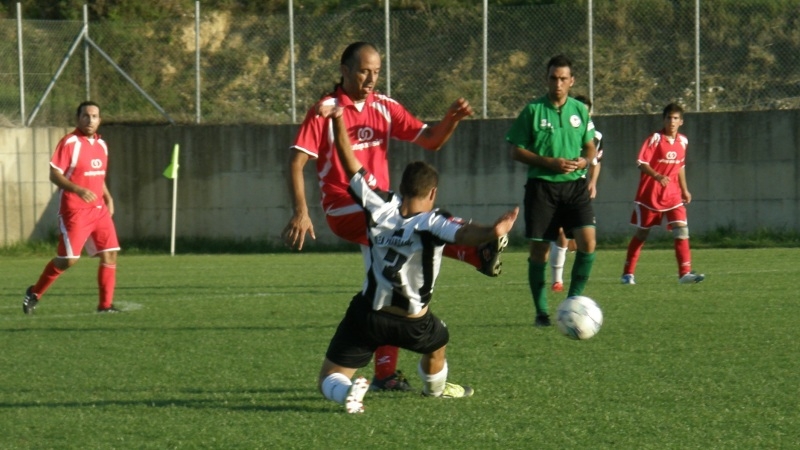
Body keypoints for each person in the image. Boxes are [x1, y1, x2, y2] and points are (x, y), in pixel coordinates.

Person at [283, 41, 507, 391]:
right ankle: (472, 251)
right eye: (363, 71)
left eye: (376, 72)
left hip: (385, 215)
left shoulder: (384, 107)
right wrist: (301, 210)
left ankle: (384, 374)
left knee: (387, 296)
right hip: (347, 207)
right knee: (425, 230)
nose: (371, 78)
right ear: (344, 70)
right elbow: (297, 161)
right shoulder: (325, 110)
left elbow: (431, 140)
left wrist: (451, 119)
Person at [316, 103, 519, 413]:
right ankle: (434, 391)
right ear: (433, 193)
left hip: (369, 316)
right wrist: (493, 230)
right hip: (414, 324)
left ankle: (346, 394)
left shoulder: (377, 204)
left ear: (400, 187)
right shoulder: (434, 221)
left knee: (328, 378)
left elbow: (348, 160)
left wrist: (339, 119)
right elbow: (463, 234)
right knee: (439, 344)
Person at [506, 54, 598, 327]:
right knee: (539, 252)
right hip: (542, 188)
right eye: (553, 78)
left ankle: (573, 304)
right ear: (546, 80)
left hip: (575, 186)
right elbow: (516, 150)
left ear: (572, 81)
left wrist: (584, 159)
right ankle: (542, 312)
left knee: (588, 243)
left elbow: (590, 146)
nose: (557, 83)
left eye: (562, 79)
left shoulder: (580, 110)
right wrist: (549, 163)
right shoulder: (533, 110)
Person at [23, 101, 121, 314]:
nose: (90, 120)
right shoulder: (70, 143)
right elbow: (54, 174)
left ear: (100, 120)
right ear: (78, 119)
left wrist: (108, 197)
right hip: (75, 209)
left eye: (94, 116)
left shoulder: (102, 145)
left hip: (99, 209)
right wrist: (77, 190)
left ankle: (105, 306)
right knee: (69, 259)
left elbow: (97, 176)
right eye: (86, 116)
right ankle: (34, 292)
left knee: (110, 253)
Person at [620, 103, 704, 285]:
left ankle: (684, 273)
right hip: (650, 194)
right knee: (642, 234)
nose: (671, 122)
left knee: (682, 229)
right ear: (663, 120)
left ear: (681, 121)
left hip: (673, 195)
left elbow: (680, 166)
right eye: (668, 118)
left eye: (675, 118)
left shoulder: (683, 141)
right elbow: (641, 162)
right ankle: (627, 273)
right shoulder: (655, 139)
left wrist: (684, 189)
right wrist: (657, 176)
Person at [549, 94, 604, 293]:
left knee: (585, 240)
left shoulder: (596, 136)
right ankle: (557, 281)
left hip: (579, 190)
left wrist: (593, 183)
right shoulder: (560, 129)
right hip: (559, 186)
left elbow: (595, 162)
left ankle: (575, 291)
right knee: (562, 234)